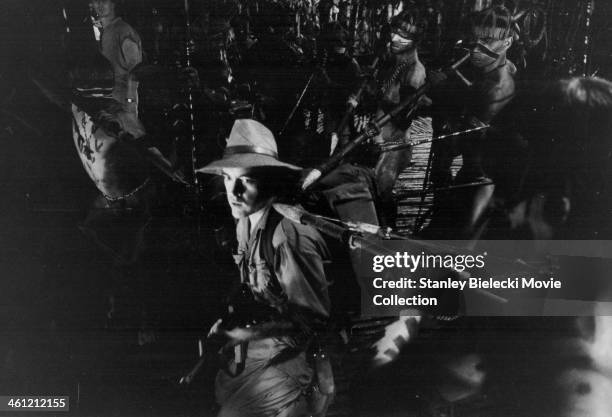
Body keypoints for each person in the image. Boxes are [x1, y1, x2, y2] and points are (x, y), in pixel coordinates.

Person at [197, 119, 333, 417]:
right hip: (266, 341)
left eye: (247, 180)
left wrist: (242, 336)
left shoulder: (288, 235)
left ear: (270, 181)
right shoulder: (245, 222)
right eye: (228, 177)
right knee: (218, 391)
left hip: (296, 352)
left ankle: (302, 401)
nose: (233, 191)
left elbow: (312, 319)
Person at [426, 5, 516, 238]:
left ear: (507, 42)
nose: (477, 47)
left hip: (479, 183)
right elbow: (473, 95)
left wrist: (441, 93)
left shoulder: (496, 87)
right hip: (476, 174)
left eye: (487, 40)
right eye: (475, 39)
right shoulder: (502, 70)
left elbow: (458, 143)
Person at [90, 0, 143, 115]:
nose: (99, 5)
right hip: (103, 103)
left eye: (104, 1)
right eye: (96, 1)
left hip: (121, 102)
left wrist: (130, 103)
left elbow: (136, 71)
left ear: (113, 4)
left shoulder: (123, 30)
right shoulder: (98, 31)